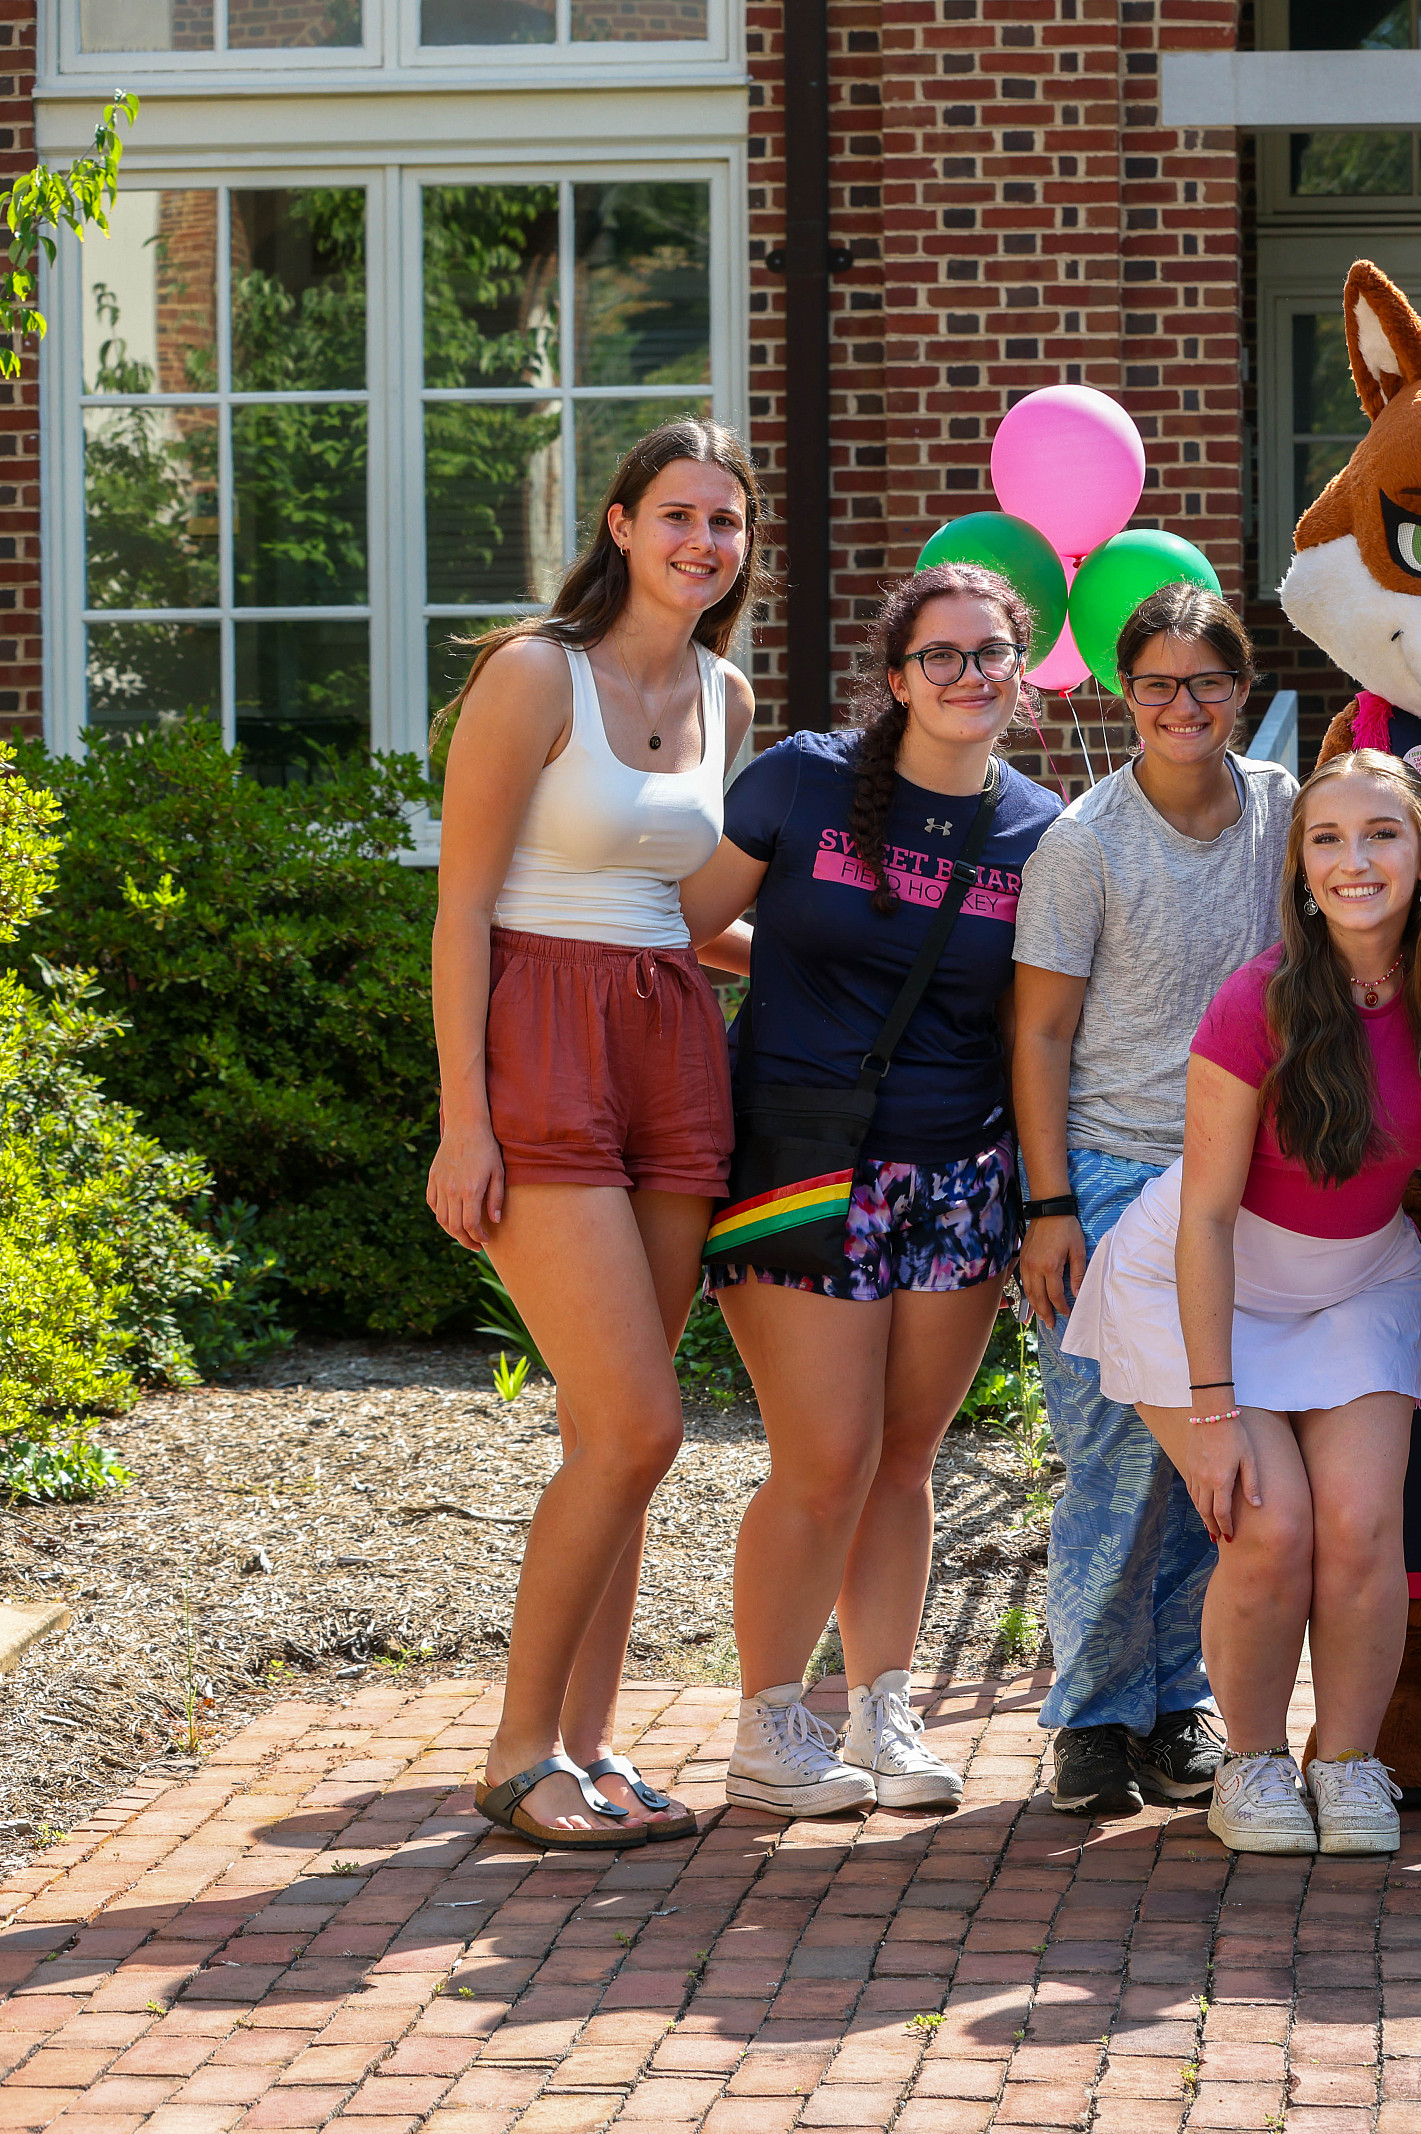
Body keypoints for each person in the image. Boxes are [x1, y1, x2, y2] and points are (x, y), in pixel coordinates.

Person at [1059, 751, 1421, 1858]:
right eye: (1326, 839)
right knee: (1270, 1524)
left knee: (1358, 1527)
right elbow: (1201, 1216)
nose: (1355, 860)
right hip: (1203, 1281)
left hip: (1356, 1281)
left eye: (1380, 835)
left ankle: (1346, 1764)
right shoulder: (1257, 999)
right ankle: (1250, 1765)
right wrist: (1211, 1412)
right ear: (1299, 870)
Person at [679, 562, 1063, 1817]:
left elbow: (1032, 1021)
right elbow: (687, 925)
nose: (968, 675)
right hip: (801, 1157)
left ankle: (883, 1709)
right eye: (940, 655)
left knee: (905, 1456)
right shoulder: (798, 780)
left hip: (959, 1173)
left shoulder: (1039, 829)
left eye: (991, 653)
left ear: (1022, 673)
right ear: (895, 677)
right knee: (824, 1455)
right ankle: (769, 1721)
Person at [427, 420, 763, 1850]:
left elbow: (688, 913)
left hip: (671, 1044)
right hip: (542, 1045)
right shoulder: (530, 674)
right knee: (636, 1420)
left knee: (610, 1437)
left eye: (728, 523)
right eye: (679, 513)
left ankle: (587, 1737)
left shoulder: (726, 692)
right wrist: (463, 1120)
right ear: (619, 523)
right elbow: (460, 910)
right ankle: (515, 1751)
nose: (704, 541)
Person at [1011, 584, 1293, 1817]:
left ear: (1242, 689)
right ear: (1127, 694)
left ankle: (1177, 1704)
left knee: (1212, 1468)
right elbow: (1039, 1034)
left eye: (1210, 682)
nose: (1185, 706)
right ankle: (1087, 1715)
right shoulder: (1084, 841)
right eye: (1159, 685)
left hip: (1245, 1188)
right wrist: (1049, 1204)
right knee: (1112, 1469)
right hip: (1116, 1178)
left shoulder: (1286, 815)